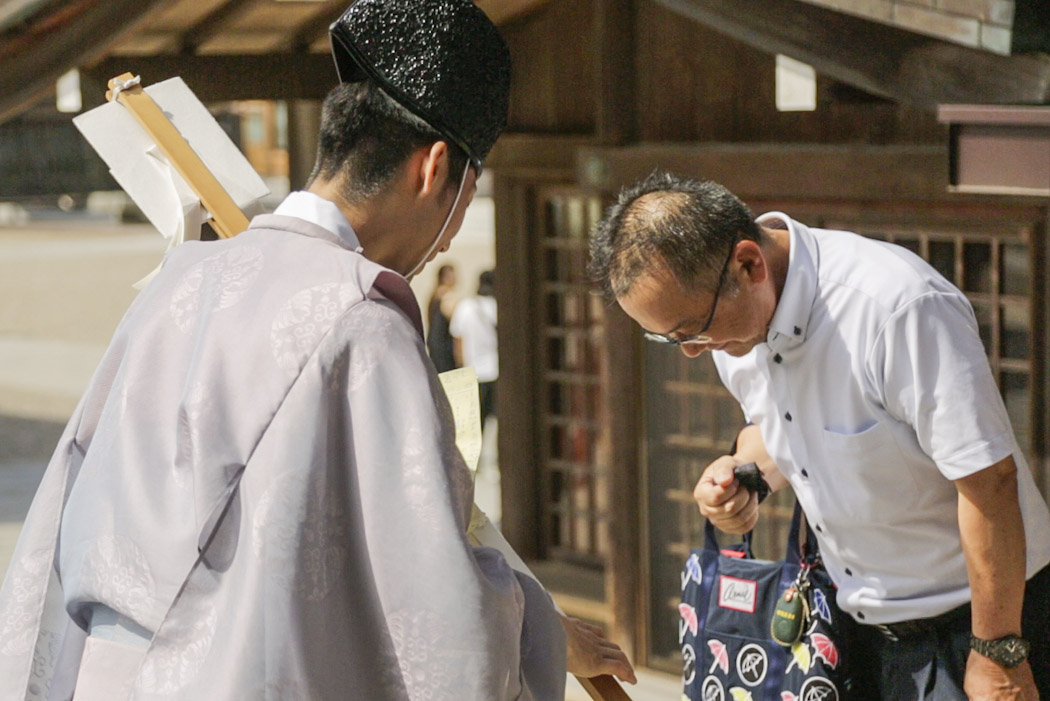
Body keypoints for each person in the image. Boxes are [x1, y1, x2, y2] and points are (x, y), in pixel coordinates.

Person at [0, 1, 635, 698]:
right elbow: (437, 609)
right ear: (434, 168)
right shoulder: (363, 328)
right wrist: (537, 627)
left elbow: (68, 500)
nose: (450, 239)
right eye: (465, 198)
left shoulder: (180, 282)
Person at [588, 172, 1050, 700]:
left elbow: (989, 481)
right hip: (851, 629)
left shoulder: (892, 306)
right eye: (670, 338)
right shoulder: (733, 329)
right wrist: (741, 475)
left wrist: (998, 653)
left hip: (978, 621)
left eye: (693, 329)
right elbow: (784, 428)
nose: (693, 350)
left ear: (748, 264)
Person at [451, 269, 498, 430]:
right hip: (497, 370)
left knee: (475, 423)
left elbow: (458, 340)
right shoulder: (500, 307)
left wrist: (460, 366)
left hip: (473, 371)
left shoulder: (465, 307)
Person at [427, 263, 458, 372]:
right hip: (444, 344)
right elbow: (455, 319)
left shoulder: (434, 294)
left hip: (434, 342)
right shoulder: (447, 295)